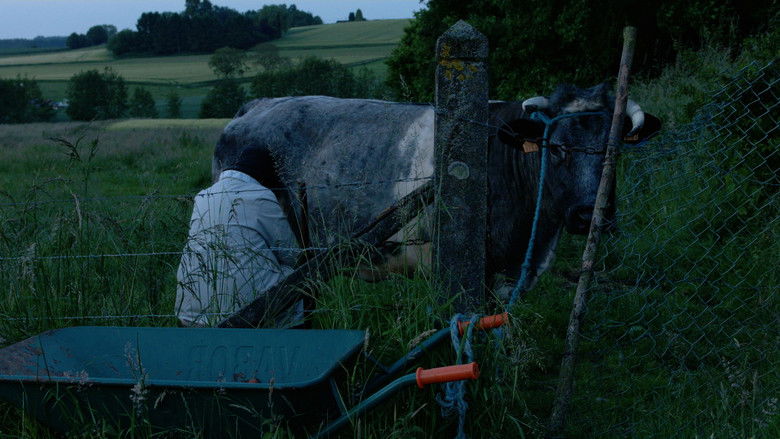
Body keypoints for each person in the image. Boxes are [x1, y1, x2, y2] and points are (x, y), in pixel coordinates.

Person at [175, 149, 301, 327]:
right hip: (250, 315)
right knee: (293, 276)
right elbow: (292, 255)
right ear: (266, 176)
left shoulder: (203, 196)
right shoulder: (262, 196)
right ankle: (289, 335)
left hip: (191, 314)